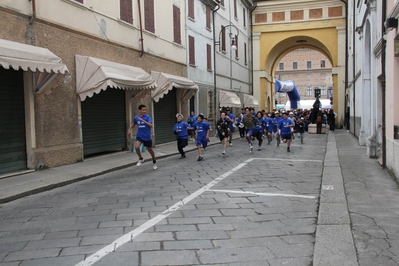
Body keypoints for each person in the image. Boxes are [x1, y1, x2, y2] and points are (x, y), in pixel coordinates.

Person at [127, 104, 157, 169]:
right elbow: (134, 123)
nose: (145, 111)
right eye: (143, 110)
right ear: (140, 110)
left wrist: (143, 121)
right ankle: (141, 158)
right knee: (137, 147)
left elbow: (151, 125)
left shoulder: (147, 117)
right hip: (139, 135)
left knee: (150, 150)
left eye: (145, 110)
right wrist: (129, 129)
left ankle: (154, 161)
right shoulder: (136, 117)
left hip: (147, 136)